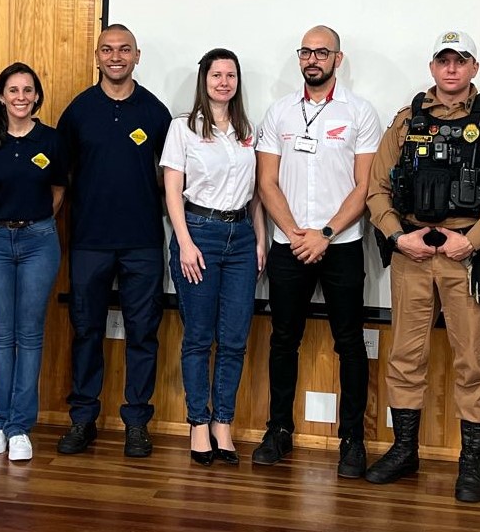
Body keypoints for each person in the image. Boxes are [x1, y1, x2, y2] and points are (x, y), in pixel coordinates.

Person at [364, 31, 480, 501]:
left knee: (475, 361)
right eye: (444, 60)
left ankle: (472, 463)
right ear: (432, 67)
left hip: (468, 256)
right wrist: (399, 236)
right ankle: (403, 450)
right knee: (404, 356)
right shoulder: (406, 121)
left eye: (461, 61)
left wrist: (471, 240)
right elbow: (377, 188)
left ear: (474, 68)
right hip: (413, 253)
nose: (451, 69)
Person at [252, 25, 381, 478]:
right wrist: (293, 231)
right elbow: (266, 181)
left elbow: (365, 186)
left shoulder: (360, 113)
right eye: (306, 52)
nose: (313, 59)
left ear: (338, 59)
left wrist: (324, 233)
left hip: (341, 244)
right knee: (284, 339)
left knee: (350, 343)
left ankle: (352, 440)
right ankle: (279, 430)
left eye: (322, 52)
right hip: (290, 245)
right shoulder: (279, 112)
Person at [55, 24, 172, 457]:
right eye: (108, 50)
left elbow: (171, 176)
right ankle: (83, 418)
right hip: (89, 241)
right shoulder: (79, 111)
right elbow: (59, 176)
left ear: (137, 56)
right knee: (86, 330)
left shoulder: (156, 113)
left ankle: (137, 421)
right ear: (97, 56)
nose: (116, 57)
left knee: (144, 333)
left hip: (142, 241)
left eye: (124, 50)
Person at [160, 48, 265, 467]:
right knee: (200, 337)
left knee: (235, 339)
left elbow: (257, 193)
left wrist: (260, 240)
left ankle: (224, 423)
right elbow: (172, 189)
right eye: (216, 75)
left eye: (231, 75)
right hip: (198, 234)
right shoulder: (182, 128)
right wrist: (184, 241)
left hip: (240, 239)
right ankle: (198, 424)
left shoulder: (247, 130)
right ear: (204, 80)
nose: (224, 82)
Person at [0, 62, 67, 463]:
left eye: (28, 90)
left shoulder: (53, 141)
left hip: (39, 241)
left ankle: (20, 427)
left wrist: (32, 224)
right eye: (13, 90)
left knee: (30, 335)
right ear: (1, 96)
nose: (21, 97)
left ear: (37, 96)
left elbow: (58, 192)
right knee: (0, 334)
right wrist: (3, 222)